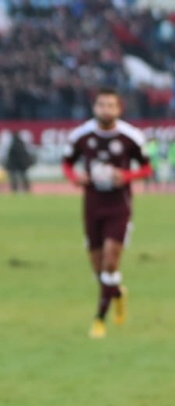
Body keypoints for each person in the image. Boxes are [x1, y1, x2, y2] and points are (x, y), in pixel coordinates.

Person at [62, 88, 151, 340]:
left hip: (118, 206)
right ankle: (118, 294)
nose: (106, 110)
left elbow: (147, 168)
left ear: (119, 108)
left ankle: (99, 319)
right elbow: (67, 163)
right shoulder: (82, 135)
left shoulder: (130, 136)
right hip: (92, 206)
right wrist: (74, 178)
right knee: (98, 270)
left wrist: (127, 176)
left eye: (111, 105)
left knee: (111, 263)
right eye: (101, 105)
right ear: (94, 107)